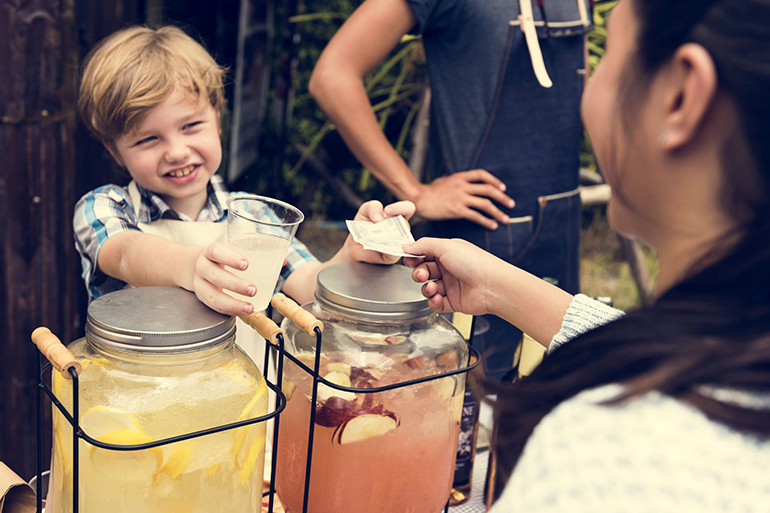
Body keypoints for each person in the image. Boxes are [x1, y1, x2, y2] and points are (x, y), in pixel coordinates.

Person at [404, 0, 770, 509]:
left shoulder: (601, 457)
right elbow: (659, 350)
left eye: (601, 66)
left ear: (681, 98)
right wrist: (497, 285)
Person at [310, 0, 592, 379]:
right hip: (478, 246)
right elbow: (333, 75)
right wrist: (416, 192)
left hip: (562, 229)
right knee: (468, 408)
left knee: (559, 388)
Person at [73, 25, 414, 317]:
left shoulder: (253, 213)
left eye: (191, 125)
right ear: (114, 150)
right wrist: (189, 265)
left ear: (218, 120)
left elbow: (309, 287)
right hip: (145, 390)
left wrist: (351, 256)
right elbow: (126, 253)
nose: (176, 152)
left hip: (251, 391)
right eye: (148, 139)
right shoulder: (105, 207)